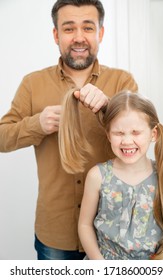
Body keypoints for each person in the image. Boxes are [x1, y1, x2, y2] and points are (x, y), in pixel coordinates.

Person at [0, 0, 138, 260]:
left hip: (113, 230)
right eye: (68, 28)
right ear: (56, 35)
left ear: (101, 33)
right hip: (55, 233)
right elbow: (2, 138)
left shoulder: (123, 81)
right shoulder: (32, 84)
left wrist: (110, 110)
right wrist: (36, 125)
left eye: (87, 28)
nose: (78, 38)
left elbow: (141, 143)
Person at [78, 91, 163, 260]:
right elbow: (84, 225)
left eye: (136, 132)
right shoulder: (98, 176)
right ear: (108, 134)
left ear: (153, 134)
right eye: (119, 133)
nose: (127, 141)